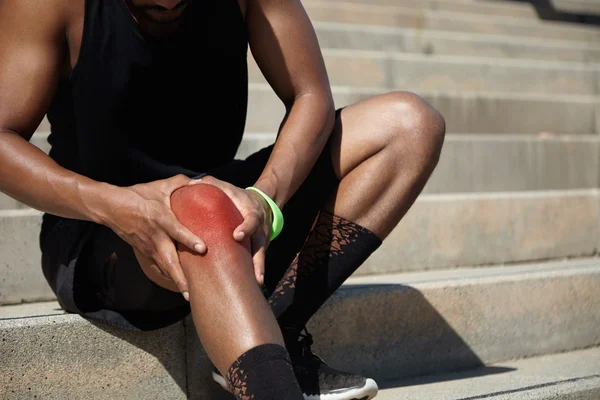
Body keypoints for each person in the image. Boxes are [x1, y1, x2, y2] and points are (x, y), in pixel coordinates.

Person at [0, 0, 445, 398]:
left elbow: (311, 95)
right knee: (203, 206)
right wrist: (117, 205)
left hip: (223, 199)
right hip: (102, 229)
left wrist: (263, 198)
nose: (168, 2)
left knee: (409, 126)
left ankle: (272, 330)